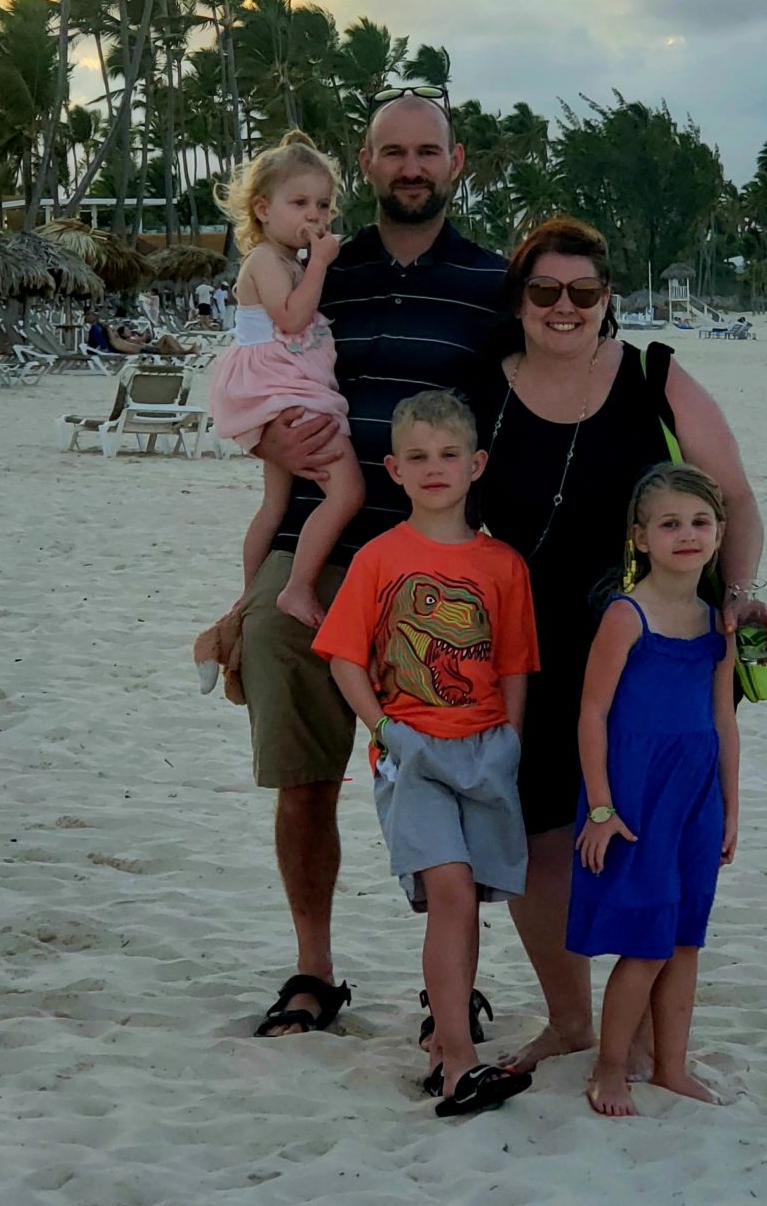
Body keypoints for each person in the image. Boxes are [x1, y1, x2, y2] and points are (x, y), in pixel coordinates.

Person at [204, 90, 507, 1043]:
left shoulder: (495, 283)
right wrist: (269, 451)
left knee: (452, 771)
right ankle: (314, 969)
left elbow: (522, 416)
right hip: (312, 548)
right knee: (304, 779)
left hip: (436, 567)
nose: (411, 167)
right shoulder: (313, 265)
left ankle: (448, 988)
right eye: (392, 152)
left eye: (428, 152)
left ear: (455, 164)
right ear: (366, 165)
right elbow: (259, 377)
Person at [472, 215, 767, 1076]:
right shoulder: (483, 382)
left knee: (644, 823)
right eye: (544, 291)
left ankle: (639, 1028)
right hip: (522, 635)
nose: (563, 308)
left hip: (647, 633)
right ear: (519, 299)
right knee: (538, 827)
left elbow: (738, 497)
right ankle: (571, 1020)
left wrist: (737, 598)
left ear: (608, 300)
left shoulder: (654, 375)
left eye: (584, 292)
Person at [315, 390, 540, 1118]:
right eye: (418, 457)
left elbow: (513, 663)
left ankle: (447, 1038)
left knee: (468, 901)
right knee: (446, 888)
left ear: (476, 465)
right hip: (412, 752)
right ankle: (461, 1064)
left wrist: (510, 739)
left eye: (449, 455)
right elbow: (345, 657)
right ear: (394, 469)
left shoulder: (504, 565)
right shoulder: (379, 559)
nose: (434, 468)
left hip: (485, 751)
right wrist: (383, 730)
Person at [570, 465, 742, 1117]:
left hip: (696, 800)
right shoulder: (627, 613)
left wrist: (730, 807)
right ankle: (609, 1068)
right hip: (635, 798)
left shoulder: (716, 621)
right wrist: (602, 806)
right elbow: (591, 713)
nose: (687, 535)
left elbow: (724, 718)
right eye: (669, 524)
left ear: (719, 532)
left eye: (700, 523)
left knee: (685, 940)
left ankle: (671, 1066)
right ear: (640, 538)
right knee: (644, 943)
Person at [206, 133, 366, 630]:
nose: (314, 216)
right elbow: (293, 320)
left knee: (276, 503)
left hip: (287, 385)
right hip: (282, 389)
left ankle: (248, 599)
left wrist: (312, 265)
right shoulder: (265, 262)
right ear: (262, 209)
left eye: (322, 204)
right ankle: (295, 587)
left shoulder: (290, 263)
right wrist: (319, 264)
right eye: (299, 203)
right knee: (347, 492)